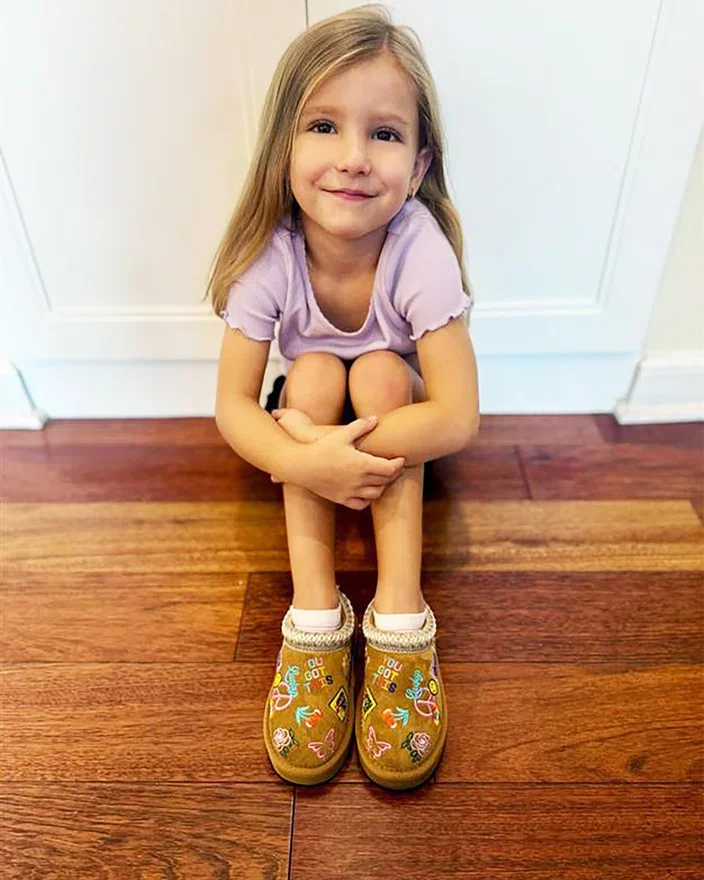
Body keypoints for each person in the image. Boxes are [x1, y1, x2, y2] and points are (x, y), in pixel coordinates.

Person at [208, 4, 479, 790]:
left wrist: (319, 452)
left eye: (383, 134)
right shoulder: (270, 254)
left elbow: (457, 415)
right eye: (324, 126)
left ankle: (398, 611)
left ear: (418, 167)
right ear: (284, 147)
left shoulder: (420, 248)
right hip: (318, 410)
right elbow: (232, 406)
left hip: (395, 412)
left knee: (381, 372)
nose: (353, 158)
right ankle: (315, 612)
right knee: (318, 374)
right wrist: (307, 460)